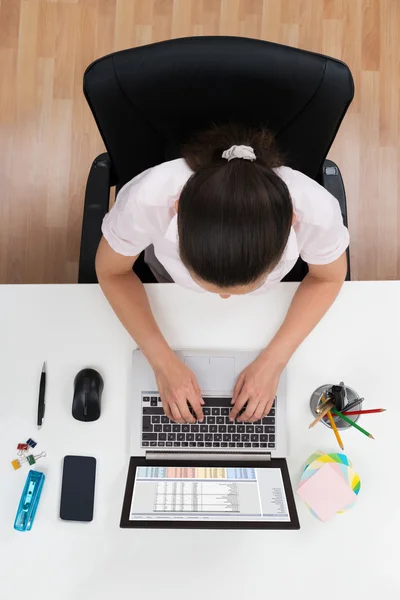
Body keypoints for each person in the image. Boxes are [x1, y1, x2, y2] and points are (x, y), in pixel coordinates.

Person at [96, 123, 349, 425]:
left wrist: (274, 361)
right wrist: (162, 363)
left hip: (267, 311)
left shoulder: (315, 210)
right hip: (172, 296)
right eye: (210, 284)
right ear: (177, 212)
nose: (224, 297)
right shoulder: (148, 197)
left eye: (238, 288)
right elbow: (111, 271)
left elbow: (329, 276)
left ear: (292, 223)